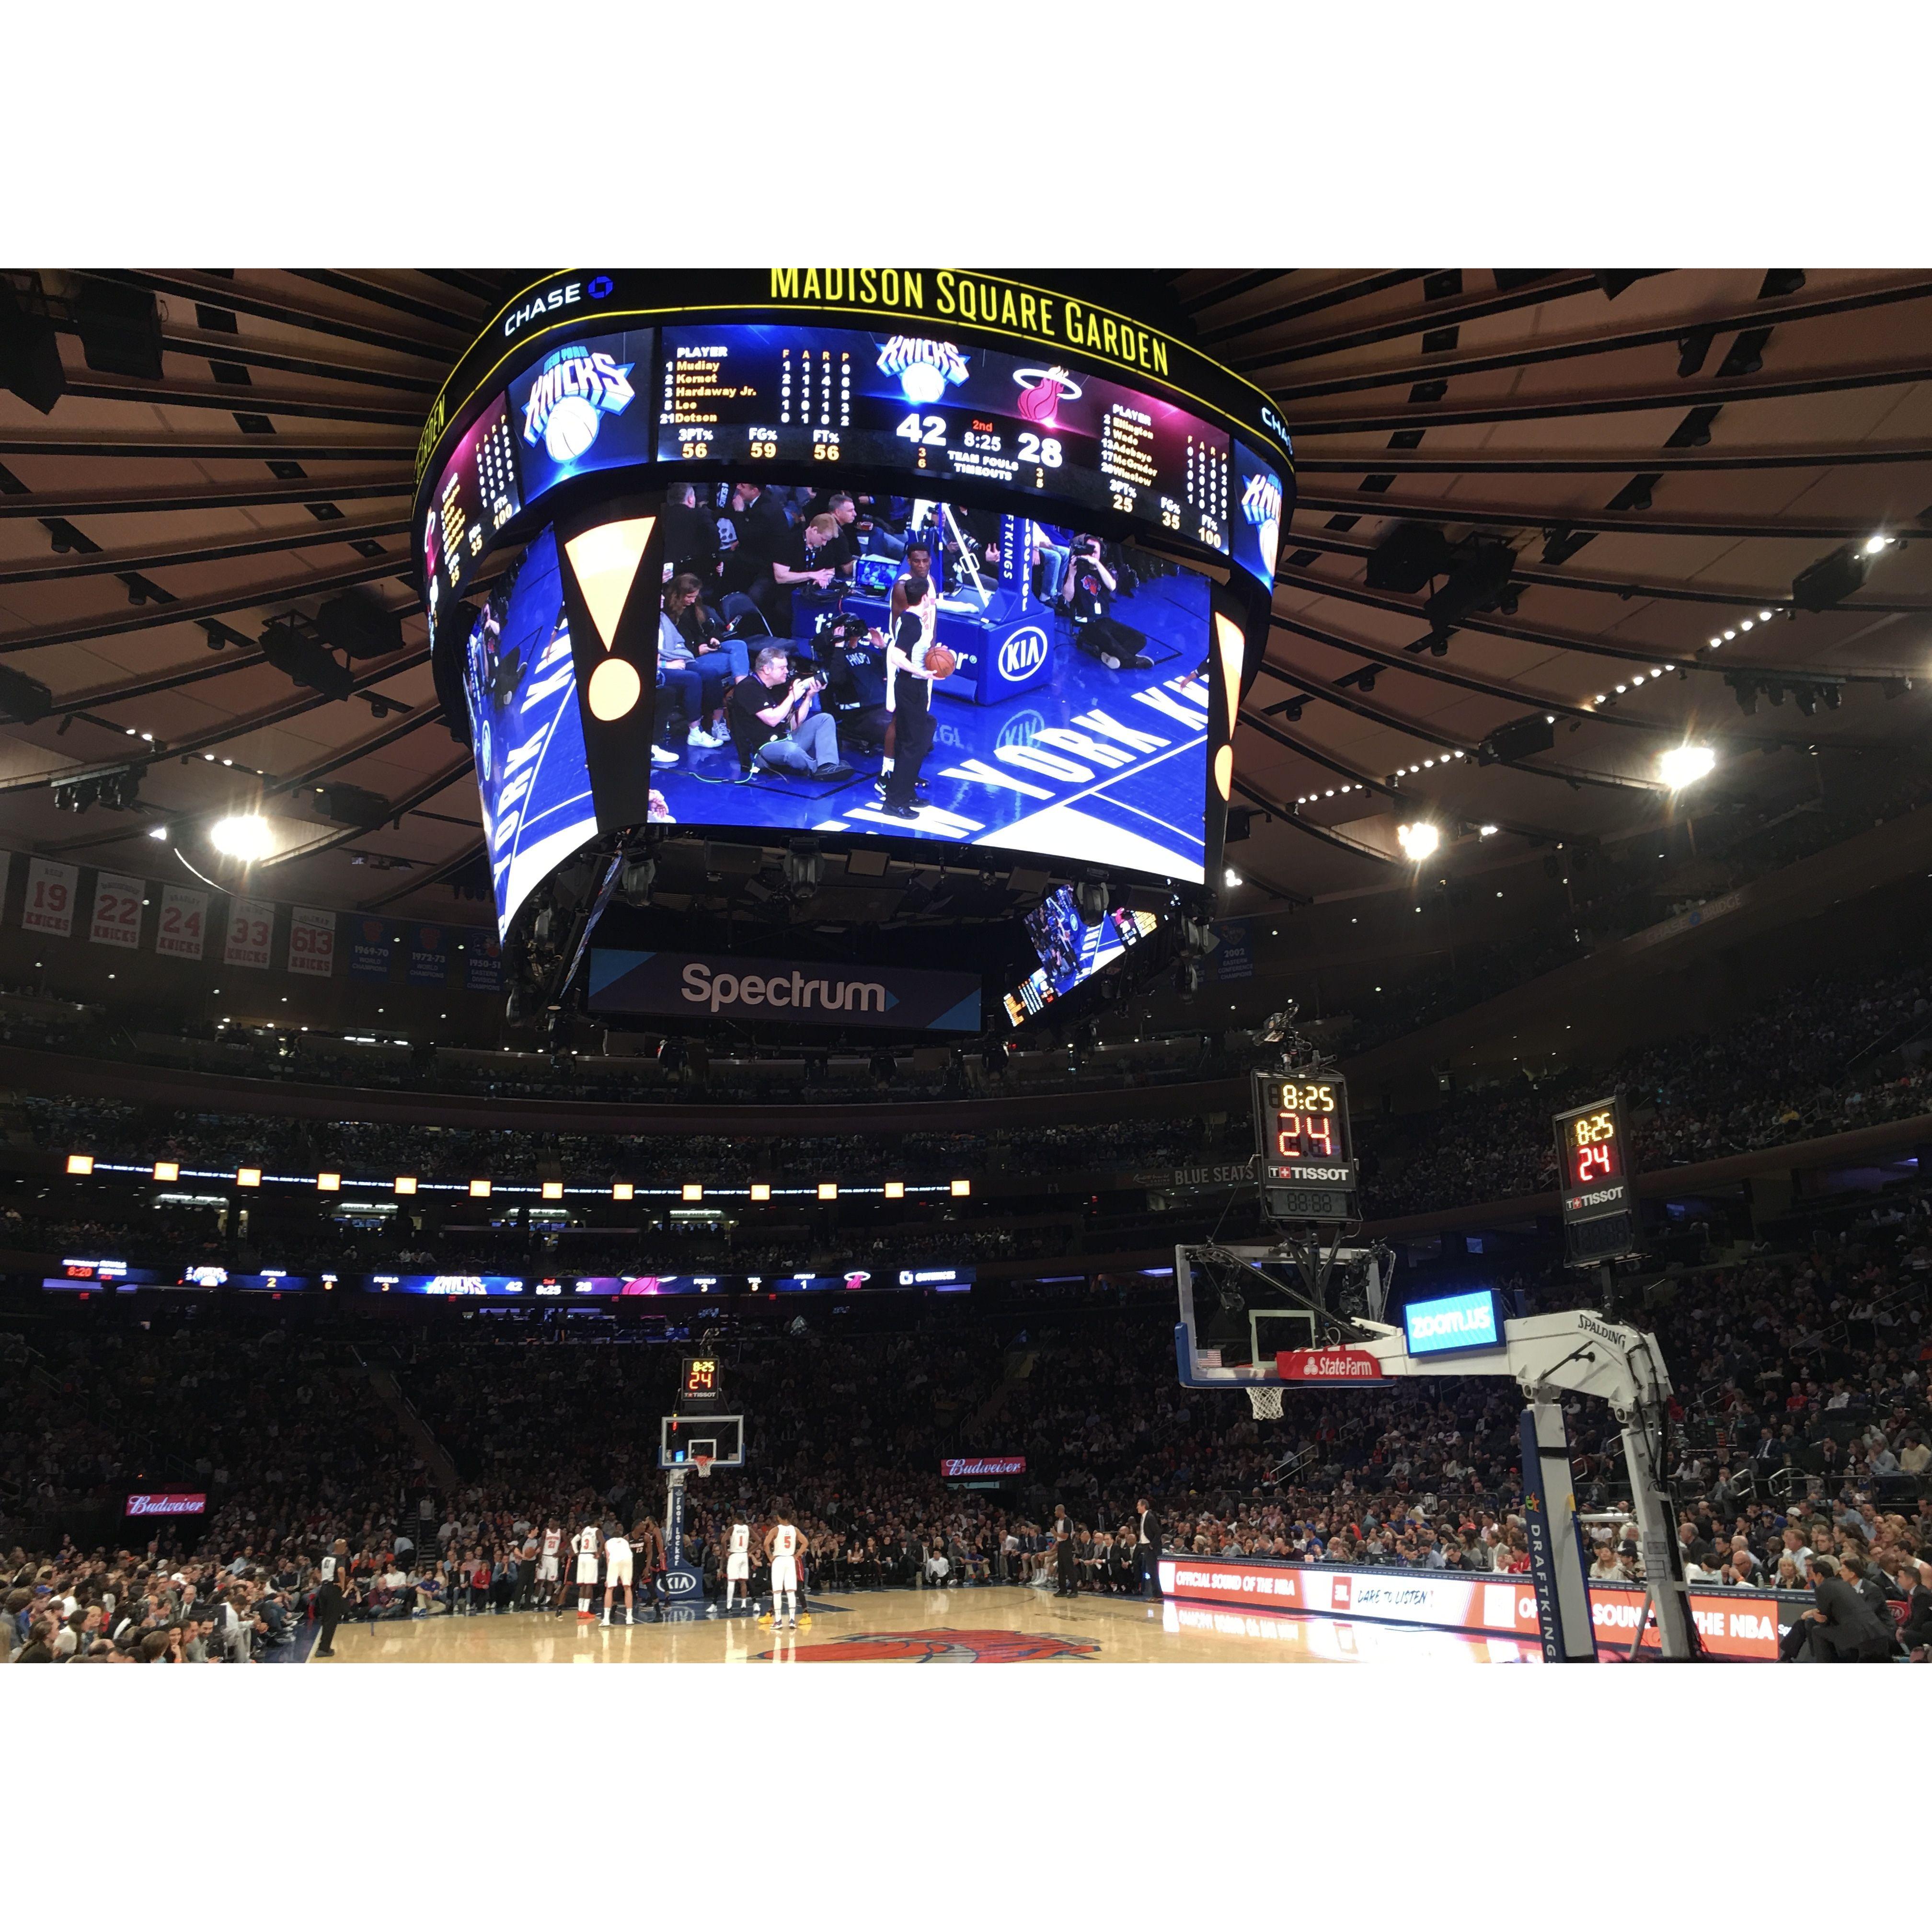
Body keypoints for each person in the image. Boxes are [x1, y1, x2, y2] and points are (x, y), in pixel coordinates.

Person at [725, 645, 851, 782]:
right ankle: (817, 769)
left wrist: (809, 697)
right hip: (763, 748)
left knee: (824, 719)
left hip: (785, 738)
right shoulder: (748, 688)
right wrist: (792, 696)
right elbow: (772, 720)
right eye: (782, 668)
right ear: (767, 669)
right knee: (791, 750)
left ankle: (828, 765)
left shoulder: (779, 687)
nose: (787, 671)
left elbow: (794, 725)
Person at [876, 610, 939, 819]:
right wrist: (920, 672)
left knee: (913, 741)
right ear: (924, 598)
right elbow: (897, 656)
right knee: (912, 745)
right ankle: (894, 802)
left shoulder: (909, 619)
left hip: (912, 685)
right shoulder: (912, 622)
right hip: (910, 685)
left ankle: (906, 793)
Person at [1060, 535, 1152, 670]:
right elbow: (1067, 597)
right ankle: (1132, 661)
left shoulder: (1104, 571)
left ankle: (1109, 654)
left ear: (1101, 554)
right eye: (1088, 550)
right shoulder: (1076, 570)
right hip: (1087, 622)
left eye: (1094, 551)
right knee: (1109, 641)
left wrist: (1097, 564)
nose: (1091, 554)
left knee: (1140, 639)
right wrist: (1072, 575)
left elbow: (1112, 586)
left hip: (1105, 619)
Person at [1787, 1554, 1895, 1661]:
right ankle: (1789, 1656)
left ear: (1852, 1574)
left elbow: (1866, 1612)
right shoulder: (1844, 1586)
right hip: (1855, 1625)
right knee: (1808, 1623)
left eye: (1843, 1571)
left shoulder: (1871, 1589)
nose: (1840, 1573)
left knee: (1817, 1630)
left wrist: (1817, 1614)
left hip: (1872, 1629)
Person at [764, 1508, 804, 1632]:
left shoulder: (776, 1530)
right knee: (791, 1591)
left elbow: (766, 1544)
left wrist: (770, 1557)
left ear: (779, 1517)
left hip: (779, 1560)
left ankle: (778, 1621)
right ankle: (792, 1620)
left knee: (777, 1592)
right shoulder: (795, 1529)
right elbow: (805, 1543)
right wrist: (797, 1555)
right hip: (790, 1560)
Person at [601, 1524, 633, 1627]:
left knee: (610, 1588)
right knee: (628, 1587)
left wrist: (608, 1577)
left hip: (614, 1560)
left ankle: (606, 1619)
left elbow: (608, 1559)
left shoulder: (608, 1543)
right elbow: (629, 1554)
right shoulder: (625, 1541)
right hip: (627, 1560)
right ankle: (629, 1618)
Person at [720, 1518, 753, 1617]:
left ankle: (729, 1607)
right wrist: (749, 1551)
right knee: (743, 1582)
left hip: (734, 1555)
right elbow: (759, 1540)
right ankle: (744, 1606)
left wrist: (726, 1552)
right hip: (744, 1556)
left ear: (736, 1520)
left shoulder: (732, 1529)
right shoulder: (748, 1528)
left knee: (731, 1582)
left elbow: (723, 1541)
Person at [571, 1520, 600, 1622]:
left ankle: (580, 1611)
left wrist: (577, 1553)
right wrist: (599, 1553)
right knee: (589, 1585)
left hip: (582, 1556)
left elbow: (573, 1541)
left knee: (583, 1585)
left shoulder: (583, 1530)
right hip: (591, 1556)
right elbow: (603, 1542)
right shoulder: (597, 1531)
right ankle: (586, 1611)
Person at [1136, 1495, 1162, 1600]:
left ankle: (1158, 1595)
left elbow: (1158, 1532)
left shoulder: (1150, 1517)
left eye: (1138, 1505)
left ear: (1143, 1506)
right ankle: (1156, 1594)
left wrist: (1152, 1545)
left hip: (1150, 1547)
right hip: (1144, 1546)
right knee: (1150, 1571)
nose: (1137, 1508)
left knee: (1153, 1571)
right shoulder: (1144, 1517)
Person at [1052, 1504, 1078, 1599]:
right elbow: (1060, 1536)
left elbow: (1066, 1536)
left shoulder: (1067, 1521)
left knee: (1069, 1568)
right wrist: (1057, 1536)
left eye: (1056, 1511)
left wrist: (1056, 1534)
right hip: (1061, 1545)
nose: (1055, 1513)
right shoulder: (1059, 1521)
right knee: (1061, 1568)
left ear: (1060, 1511)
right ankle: (1063, 1590)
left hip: (1067, 1546)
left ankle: (1074, 1591)